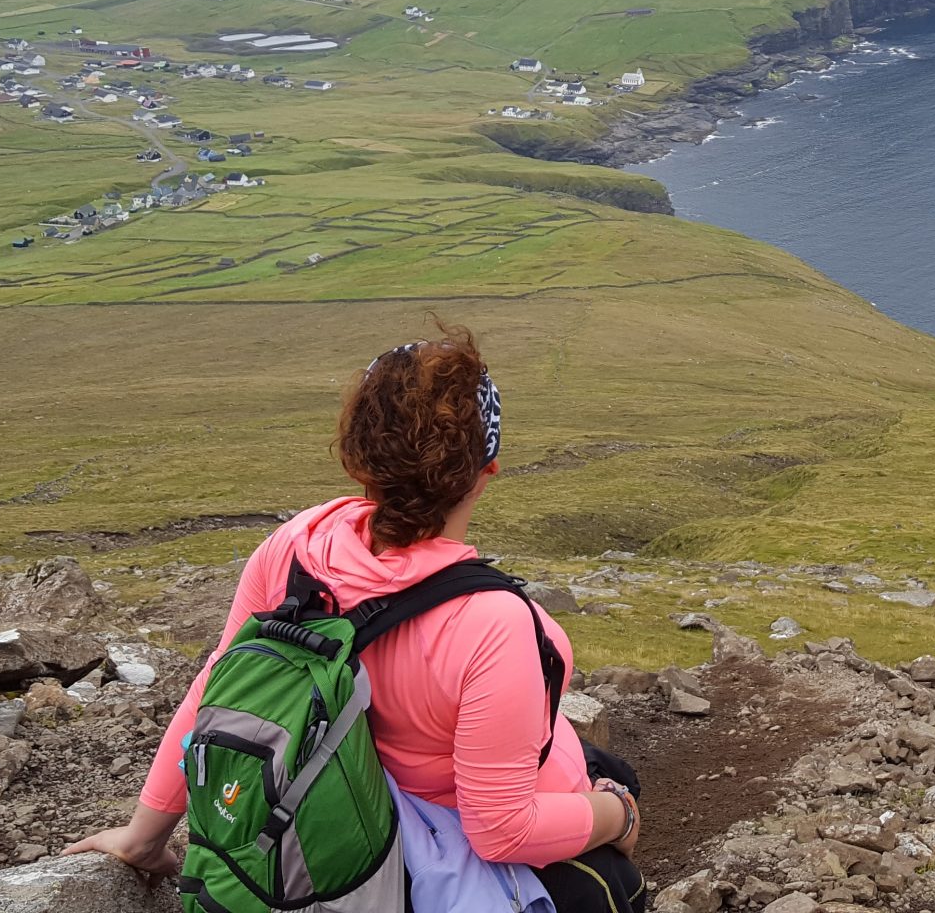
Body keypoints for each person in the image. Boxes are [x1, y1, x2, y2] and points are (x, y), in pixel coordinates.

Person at [66, 325, 648, 911]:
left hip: (326, 810)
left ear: (357, 459)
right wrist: (617, 814)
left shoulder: (297, 545)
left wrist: (145, 837)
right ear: (485, 470)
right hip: (418, 851)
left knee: (598, 759)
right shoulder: (493, 623)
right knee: (613, 839)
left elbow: (220, 688)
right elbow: (502, 830)